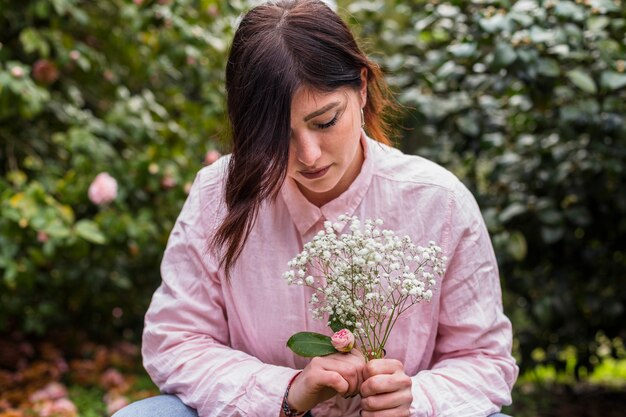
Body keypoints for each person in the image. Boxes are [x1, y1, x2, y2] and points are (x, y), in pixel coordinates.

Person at [113, 1, 518, 416]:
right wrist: (284, 393)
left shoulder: (438, 201)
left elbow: (483, 360)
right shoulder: (219, 194)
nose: (308, 155)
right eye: (277, 136)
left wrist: (416, 401)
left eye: (325, 122)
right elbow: (176, 339)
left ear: (362, 87)